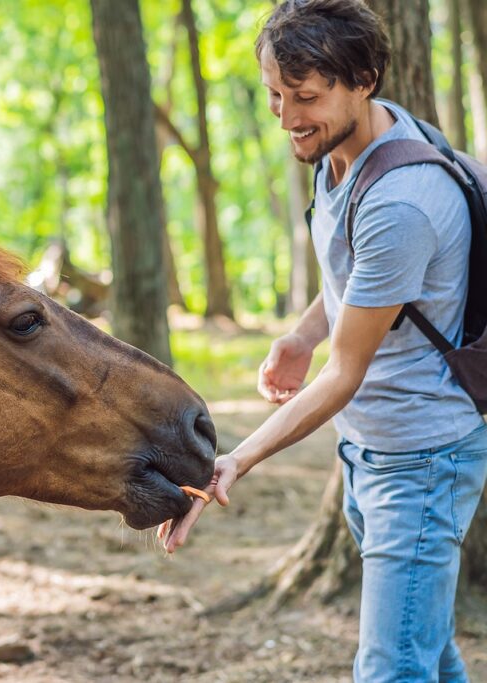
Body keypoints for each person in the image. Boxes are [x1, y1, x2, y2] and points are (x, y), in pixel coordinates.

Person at [161, 1, 487, 680]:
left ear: (363, 78)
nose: (285, 118)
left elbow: (345, 375)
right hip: (372, 451)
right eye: (275, 95)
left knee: (391, 665)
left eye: (304, 97)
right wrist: (302, 333)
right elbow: (365, 276)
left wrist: (239, 457)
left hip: (422, 460)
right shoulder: (344, 144)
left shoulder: (401, 200)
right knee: (426, 648)